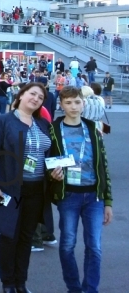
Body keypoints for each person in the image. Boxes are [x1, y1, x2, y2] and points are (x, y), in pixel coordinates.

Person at [0, 82, 58, 293]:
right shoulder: (3, 122)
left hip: (36, 190)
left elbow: (49, 156)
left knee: (26, 237)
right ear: (21, 95)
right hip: (10, 189)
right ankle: (8, 283)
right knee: (9, 235)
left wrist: (56, 171)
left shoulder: (43, 125)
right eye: (32, 94)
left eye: (40, 98)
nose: (35, 99)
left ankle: (21, 282)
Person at [48, 86, 112, 293]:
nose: (73, 106)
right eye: (68, 102)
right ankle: (74, 288)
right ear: (61, 105)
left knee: (94, 246)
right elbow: (47, 161)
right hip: (69, 196)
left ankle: (90, 288)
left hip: (94, 196)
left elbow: (103, 166)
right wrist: (52, 175)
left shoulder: (94, 128)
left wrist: (108, 201)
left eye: (77, 102)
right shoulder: (53, 129)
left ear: (83, 103)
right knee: (67, 245)